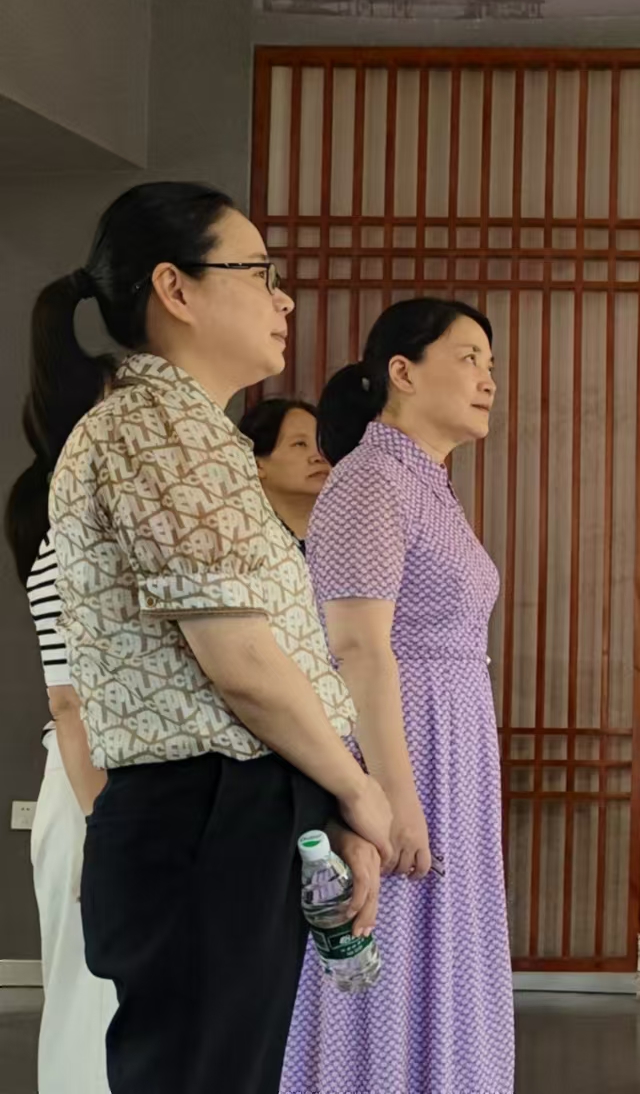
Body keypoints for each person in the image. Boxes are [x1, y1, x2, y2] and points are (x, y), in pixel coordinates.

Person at [33, 182, 391, 1094]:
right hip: (202, 812)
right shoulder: (153, 429)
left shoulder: (200, 435)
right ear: (176, 288)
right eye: (259, 273)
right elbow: (244, 665)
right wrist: (361, 791)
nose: (284, 299)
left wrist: (328, 799)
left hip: (232, 808)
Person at [282, 298, 513, 1094]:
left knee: (436, 953)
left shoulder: (425, 483)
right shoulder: (371, 479)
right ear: (402, 372)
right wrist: (393, 793)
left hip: (448, 746)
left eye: (490, 363)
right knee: (386, 959)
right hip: (404, 749)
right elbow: (356, 645)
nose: (488, 379)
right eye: (469, 357)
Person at [6, 344, 117, 1094]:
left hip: (106, 788)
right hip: (92, 787)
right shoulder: (67, 539)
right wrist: (106, 821)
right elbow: (69, 700)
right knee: (92, 1006)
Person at [239, 398, 329, 546]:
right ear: (257, 465)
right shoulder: (240, 540)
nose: (319, 457)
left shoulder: (351, 536)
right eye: (300, 444)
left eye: (323, 443)